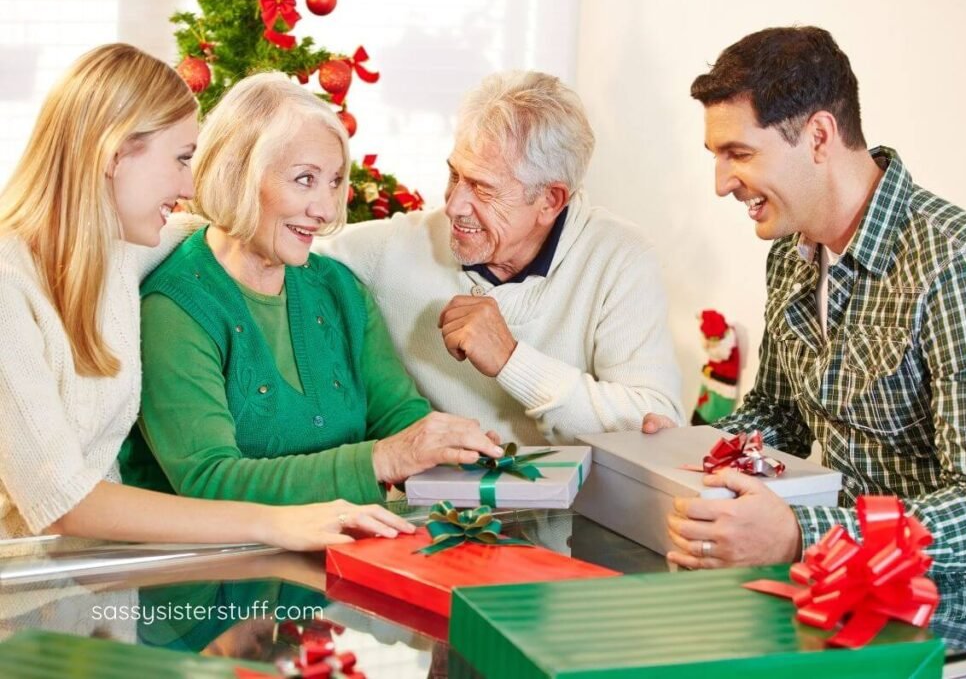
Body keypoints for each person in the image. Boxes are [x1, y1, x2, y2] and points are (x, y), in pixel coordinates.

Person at [0, 44, 412, 550]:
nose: (191, 181)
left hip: (96, 588)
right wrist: (273, 523)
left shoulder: (121, 251)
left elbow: (226, 231)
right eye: (181, 159)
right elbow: (62, 501)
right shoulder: (8, 284)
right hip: (19, 591)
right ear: (115, 155)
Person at [661, 26, 966, 579]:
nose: (721, 183)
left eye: (739, 153)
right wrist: (694, 446)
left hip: (961, 606)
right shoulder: (791, 252)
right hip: (834, 578)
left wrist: (803, 535)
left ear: (819, 137)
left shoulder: (963, 269)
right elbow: (780, 415)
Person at [119, 72, 503, 508]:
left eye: (335, 181)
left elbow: (399, 415)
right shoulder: (175, 309)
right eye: (305, 179)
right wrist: (380, 460)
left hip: (346, 555)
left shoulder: (339, 288)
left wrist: (448, 447)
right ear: (239, 173)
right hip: (225, 569)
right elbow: (209, 480)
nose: (323, 209)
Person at [313, 70, 684, 445]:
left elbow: (655, 420)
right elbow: (285, 246)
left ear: (549, 201)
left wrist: (511, 360)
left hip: (581, 502)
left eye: (482, 188)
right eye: (454, 175)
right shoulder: (396, 247)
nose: (454, 205)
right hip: (447, 501)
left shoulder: (619, 258)